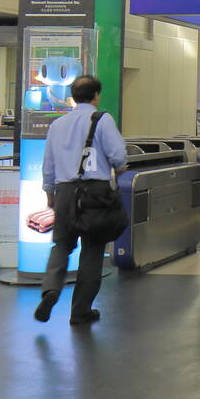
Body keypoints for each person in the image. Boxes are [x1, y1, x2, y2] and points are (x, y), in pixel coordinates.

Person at [34, 75, 127, 326]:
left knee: (61, 245)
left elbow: (48, 166)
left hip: (65, 192)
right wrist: (117, 170)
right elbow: (118, 155)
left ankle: (51, 290)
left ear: (74, 97)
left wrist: (50, 196)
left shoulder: (58, 124)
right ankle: (80, 311)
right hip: (94, 193)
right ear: (96, 96)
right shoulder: (102, 119)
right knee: (92, 251)